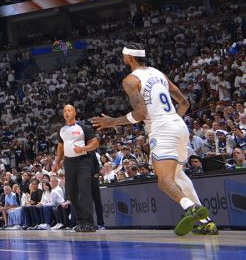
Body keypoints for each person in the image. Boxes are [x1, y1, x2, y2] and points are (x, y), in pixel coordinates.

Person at [93, 42, 218, 236]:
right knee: (178, 176)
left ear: (129, 58)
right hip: (178, 125)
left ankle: (190, 208)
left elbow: (141, 114)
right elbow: (184, 103)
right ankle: (205, 221)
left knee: (164, 180)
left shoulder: (130, 80)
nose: (123, 58)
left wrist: (112, 122)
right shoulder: (159, 74)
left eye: (124, 55)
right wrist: (172, 120)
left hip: (162, 128)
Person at [53, 104, 98, 232]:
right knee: (72, 194)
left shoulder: (83, 127)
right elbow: (60, 148)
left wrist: (83, 149)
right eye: (65, 111)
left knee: (84, 191)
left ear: (74, 112)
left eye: (69, 110)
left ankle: (89, 222)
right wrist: (57, 162)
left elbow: (95, 143)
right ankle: (80, 221)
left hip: (83, 161)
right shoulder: (61, 130)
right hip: (69, 163)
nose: (67, 112)